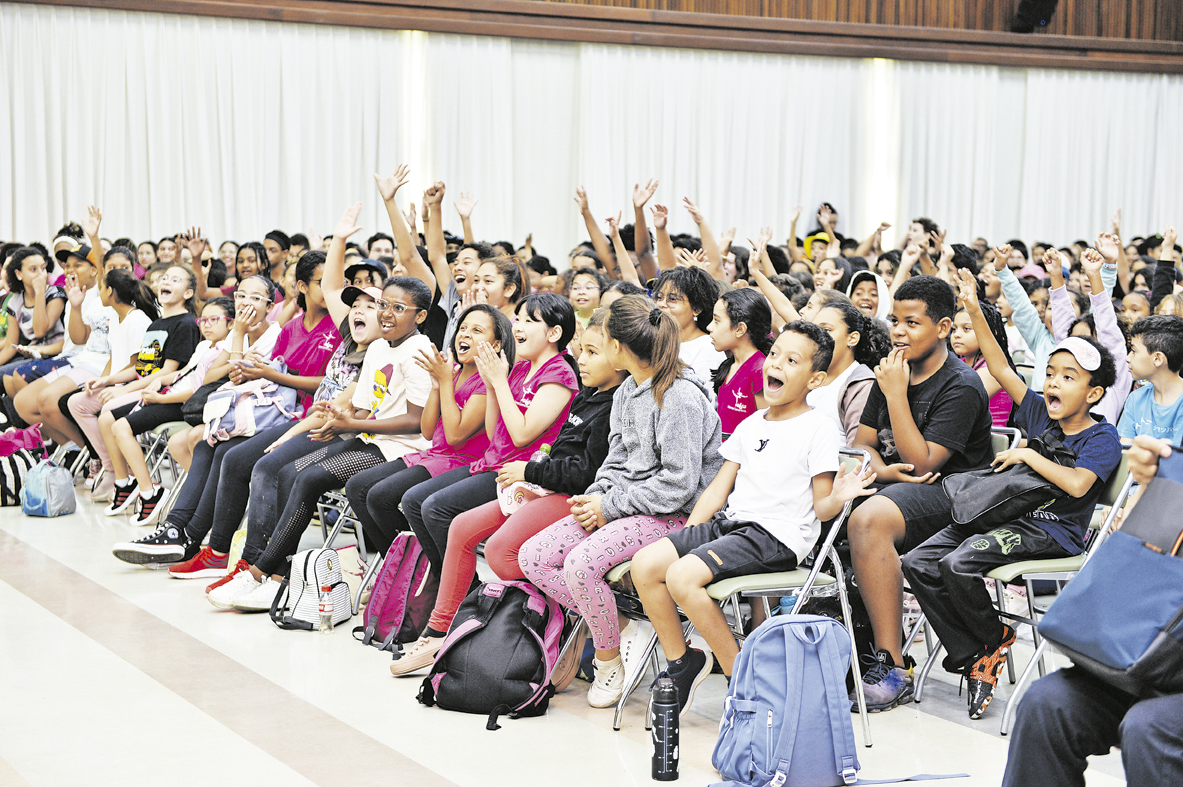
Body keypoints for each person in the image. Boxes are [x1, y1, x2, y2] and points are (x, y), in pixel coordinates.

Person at [902, 268, 1121, 719]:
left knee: (957, 563)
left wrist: (1029, 456)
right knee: (917, 561)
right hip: (1005, 514)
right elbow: (999, 365)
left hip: (1053, 533)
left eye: (1069, 377)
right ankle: (981, 646)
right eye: (1052, 374)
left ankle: (986, 642)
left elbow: (1079, 484)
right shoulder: (1040, 411)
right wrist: (971, 304)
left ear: (1094, 392)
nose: (1054, 383)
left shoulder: (1103, 438)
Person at [631, 321, 876, 710]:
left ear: (815, 379)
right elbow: (717, 489)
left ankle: (740, 677)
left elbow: (822, 506)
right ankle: (684, 661)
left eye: (791, 360)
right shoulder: (751, 424)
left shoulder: (819, 429)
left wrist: (842, 496)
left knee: (682, 576)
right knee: (645, 565)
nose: (775, 363)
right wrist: (691, 533)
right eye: (775, 353)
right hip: (732, 525)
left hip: (775, 536)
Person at [518, 295, 723, 707]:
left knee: (580, 564)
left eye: (601, 340)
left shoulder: (679, 397)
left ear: (619, 348)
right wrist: (594, 497)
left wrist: (608, 507)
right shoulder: (629, 389)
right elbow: (616, 458)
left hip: (674, 515)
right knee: (534, 556)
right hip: (628, 504)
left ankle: (607, 661)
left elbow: (679, 486)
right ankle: (620, 622)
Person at [205, 276, 434, 611]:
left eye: (398, 308)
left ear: (421, 316)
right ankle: (278, 575)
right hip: (370, 436)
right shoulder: (380, 347)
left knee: (310, 478)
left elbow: (417, 423)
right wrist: (336, 419)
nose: (385, 313)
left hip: (402, 448)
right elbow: (364, 406)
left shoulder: (419, 351)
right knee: (289, 472)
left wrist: (353, 423)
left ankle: (263, 573)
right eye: (383, 304)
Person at [390, 293, 580, 674]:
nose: (519, 326)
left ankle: (457, 614)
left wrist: (498, 383)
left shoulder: (559, 375)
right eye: (519, 319)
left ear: (555, 333)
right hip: (497, 465)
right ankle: (454, 610)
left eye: (531, 320)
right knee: (424, 507)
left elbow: (523, 434)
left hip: (526, 477)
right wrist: (497, 384)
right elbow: (497, 432)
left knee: (438, 509)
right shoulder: (518, 370)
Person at [846, 274, 994, 711]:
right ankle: (840, 637)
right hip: (899, 486)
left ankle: (892, 665)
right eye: (895, 320)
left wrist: (896, 395)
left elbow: (926, 462)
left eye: (911, 323)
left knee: (867, 520)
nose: (897, 331)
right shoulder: (892, 370)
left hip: (957, 495)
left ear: (943, 327)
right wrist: (881, 467)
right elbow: (862, 443)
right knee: (824, 501)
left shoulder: (960, 385)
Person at [1000, 434, 1183, 787]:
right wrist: (1151, 486)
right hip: (1158, 654)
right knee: (1047, 703)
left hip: (1163, 671)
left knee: (1150, 727)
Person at [110, 275, 281, 565]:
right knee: (203, 443)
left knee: (206, 442)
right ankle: (177, 530)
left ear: (270, 305)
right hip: (233, 414)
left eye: (255, 298)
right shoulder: (236, 333)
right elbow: (214, 376)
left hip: (262, 416)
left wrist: (237, 341)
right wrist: (237, 338)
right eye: (241, 296)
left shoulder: (275, 334)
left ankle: (185, 534)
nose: (246, 304)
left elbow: (236, 377)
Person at [343, 304, 512, 556]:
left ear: (496, 345)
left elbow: (455, 436)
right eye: (463, 328)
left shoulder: (484, 383)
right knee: (358, 487)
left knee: (384, 497)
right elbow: (428, 430)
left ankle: (420, 569)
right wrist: (437, 385)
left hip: (462, 461)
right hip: (435, 455)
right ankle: (405, 568)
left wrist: (443, 381)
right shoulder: (451, 373)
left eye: (477, 330)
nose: (465, 334)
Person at [74, 266, 200, 518]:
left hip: (167, 393)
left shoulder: (186, 324)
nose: (166, 281)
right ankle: (124, 482)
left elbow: (167, 372)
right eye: (164, 278)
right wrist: (109, 379)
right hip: (146, 386)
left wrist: (126, 390)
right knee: (105, 414)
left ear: (187, 292)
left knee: (109, 413)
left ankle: (143, 488)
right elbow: (141, 369)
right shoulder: (156, 324)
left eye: (175, 279)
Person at [808, 299, 889, 445]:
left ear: (852, 338)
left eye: (826, 330)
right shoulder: (806, 374)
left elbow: (857, 453)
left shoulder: (861, 386)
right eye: (813, 330)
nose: (816, 337)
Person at [708, 288, 772, 438]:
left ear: (740, 329)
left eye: (716, 321)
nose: (709, 327)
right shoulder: (730, 365)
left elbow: (765, 428)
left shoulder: (759, 370)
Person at [651, 267, 725, 387]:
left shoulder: (708, 348)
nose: (662, 304)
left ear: (696, 308)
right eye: (659, 297)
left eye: (672, 299)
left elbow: (704, 400)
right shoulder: (654, 339)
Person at [1118, 314, 1183, 444]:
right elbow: (1126, 453)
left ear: (1157, 359)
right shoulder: (1136, 398)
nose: (1128, 358)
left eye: (1134, 351)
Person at [950, 299, 1015, 427]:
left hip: (991, 441)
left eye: (967, 328)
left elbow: (957, 406)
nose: (957, 334)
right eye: (954, 329)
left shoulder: (993, 371)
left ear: (988, 333)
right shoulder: (959, 363)